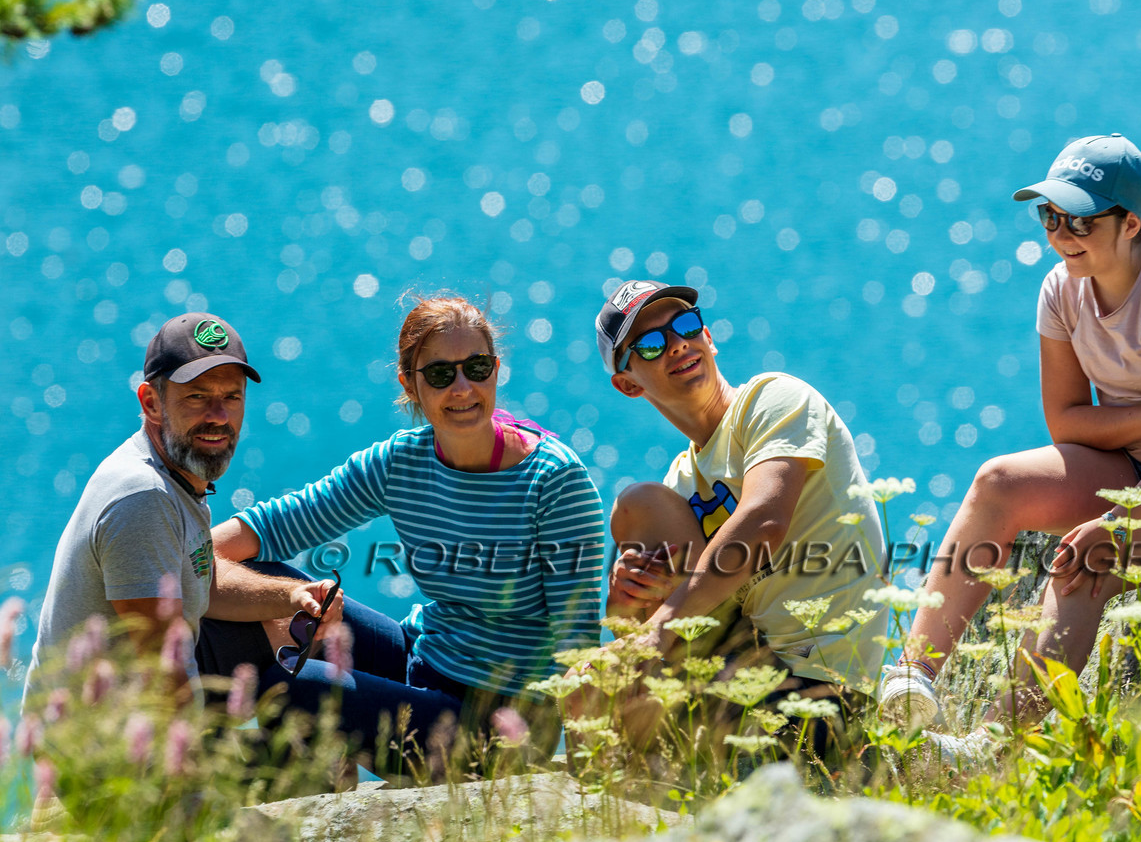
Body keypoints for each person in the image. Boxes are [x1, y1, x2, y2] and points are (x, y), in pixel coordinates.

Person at [877, 133, 1141, 751]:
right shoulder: (1059, 290)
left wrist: (1118, 522)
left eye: (1082, 220)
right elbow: (1067, 422)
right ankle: (913, 680)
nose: (1062, 233)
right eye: (1050, 216)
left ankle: (991, 748)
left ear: (1130, 223)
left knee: (1087, 562)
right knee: (997, 483)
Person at [208, 294, 606, 761]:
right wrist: (180, 557)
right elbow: (274, 524)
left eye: (476, 368)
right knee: (255, 582)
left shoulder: (553, 480)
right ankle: (186, 773)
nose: (461, 387)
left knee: (298, 689)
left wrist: (590, 782)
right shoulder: (402, 462)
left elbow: (577, 638)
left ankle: (282, 783)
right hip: (424, 659)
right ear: (410, 385)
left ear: (495, 370)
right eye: (440, 374)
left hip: (499, 722)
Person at [593, 279, 890, 757]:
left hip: (825, 691)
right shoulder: (680, 483)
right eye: (650, 344)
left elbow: (763, 523)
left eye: (686, 325)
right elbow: (639, 632)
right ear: (629, 384)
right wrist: (626, 601)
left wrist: (658, 628)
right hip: (747, 672)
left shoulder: (774, 399)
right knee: (637, 509)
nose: (678, 344)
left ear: (708, 338)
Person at [23, 313, 343, 704]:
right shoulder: (144, 499)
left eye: (231, 397)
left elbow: (198, 585)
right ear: (151, 402)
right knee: (323, 691)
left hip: (122, 723)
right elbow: (165, 675)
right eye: (197, 396)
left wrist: (293, 597)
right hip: (95, 751)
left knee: (305, 636)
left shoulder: (175, 475)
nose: (218, 416)